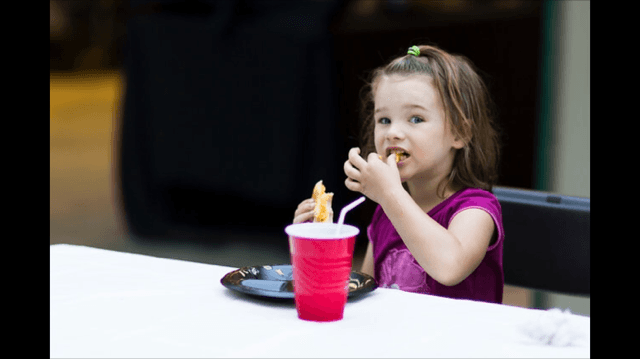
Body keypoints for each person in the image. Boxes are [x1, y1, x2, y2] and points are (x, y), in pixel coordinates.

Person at [294, 44, 504, 304]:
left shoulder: (476, 209)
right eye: (384, 120)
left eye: (415, 119)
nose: (392, 132)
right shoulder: (386, 210)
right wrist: (317, 241)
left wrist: (390, 194)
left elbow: (450, 268)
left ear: (460, 132)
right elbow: (362, 293)